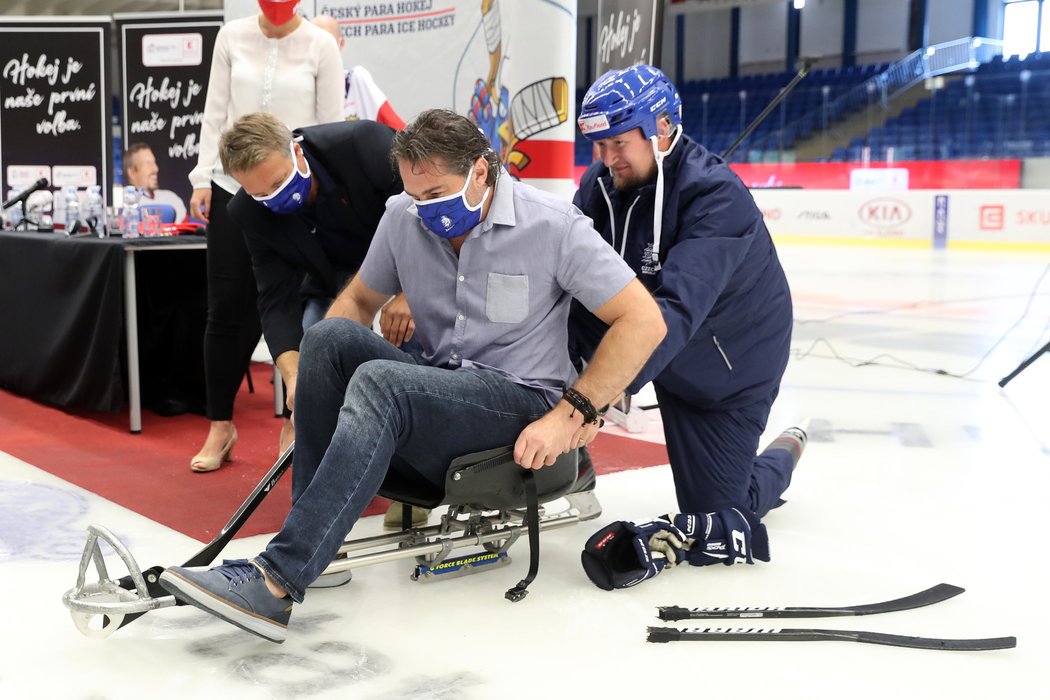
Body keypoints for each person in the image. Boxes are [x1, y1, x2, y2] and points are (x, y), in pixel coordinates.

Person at [158, 108, 667, 642]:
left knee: (383, 381)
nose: (425, 211)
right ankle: (313, 544)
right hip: (443, 386)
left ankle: (276, 581)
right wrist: (316, 393)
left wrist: (575, 413)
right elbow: (356, 300)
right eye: (415, 197)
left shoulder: (552, 226)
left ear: (481, 171)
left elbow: (643, 320)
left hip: (519, 400)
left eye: (436, 195)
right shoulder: (403, 215)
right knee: (327, 340)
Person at [571, 65, 808, 590]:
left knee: (721, 513)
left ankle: (783, 453)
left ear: (660, 127)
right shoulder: (600, 185)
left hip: (728, 370)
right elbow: (567, 275)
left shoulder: (718, 198)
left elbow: (674, 312)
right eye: (597, 146)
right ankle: (567, 467)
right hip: (657, 345)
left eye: (616, 143)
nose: (605, 161)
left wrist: (596, 397)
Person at [187, 0, 344, 473]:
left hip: (296, 192)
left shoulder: (320, 44)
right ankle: (220, 424)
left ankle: (297, 420)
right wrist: (200, 176)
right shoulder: (231, 36)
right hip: (233, 187)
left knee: (299, 303)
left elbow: (331, 124)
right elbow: (214, 111)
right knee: (225, 308)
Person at [218, 112, 416, 477]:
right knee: (316, 347)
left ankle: (412, 465)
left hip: (404, 254)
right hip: (333, 275)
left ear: (297, 151)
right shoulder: (247, 212)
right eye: (262, 194)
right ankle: (332, 465)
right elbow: (275, 298)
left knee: (409, 337)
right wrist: (294, 377)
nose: (276, 198)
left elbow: (423, 208)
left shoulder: (362, 143)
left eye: (279, 182)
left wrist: (410, 291)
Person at [311, 14, 405, 129]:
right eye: (313, 44)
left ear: (341, 44)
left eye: (327, 44)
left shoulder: (356, 81)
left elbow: (399, 130)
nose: (321, 52)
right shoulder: (301, 92)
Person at [123, 143, 188, 222]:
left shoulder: (172, 198)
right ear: (132, 173)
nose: (155, 169)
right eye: (148, 164)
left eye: (154, 162)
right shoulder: (125, 204)